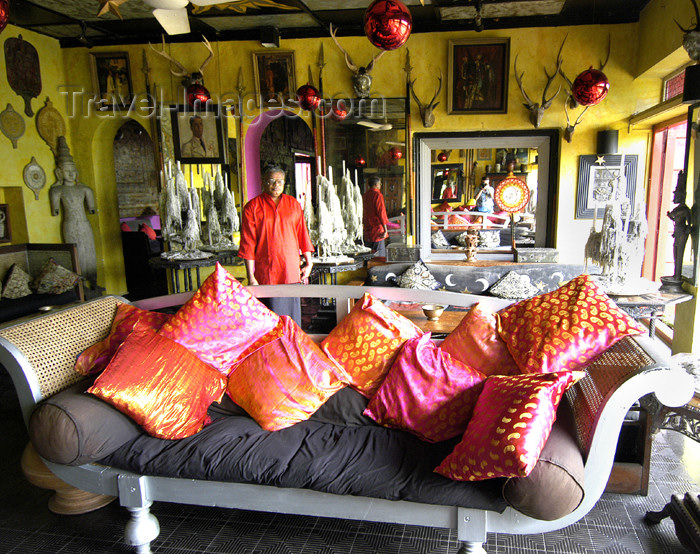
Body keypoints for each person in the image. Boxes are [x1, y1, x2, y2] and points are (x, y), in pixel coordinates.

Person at [238, 164, 314, 326]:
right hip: (267, 271)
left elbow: (303, 235)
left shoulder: (293, 204)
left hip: (291, 270)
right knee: (270, 318)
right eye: (271, 181)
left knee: (292, 318)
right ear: (263, 182)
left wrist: (309, 263)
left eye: (280, 181)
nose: (276, 185)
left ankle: (293, 348)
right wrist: (251, 277)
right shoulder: (252, 207)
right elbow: (248, 244)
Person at [49, 136, 98, 288]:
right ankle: (80, 286)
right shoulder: (57, 190)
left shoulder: (85, 189)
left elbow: (91, 208)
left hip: (84, 224)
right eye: (66, 171)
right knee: (75, 254)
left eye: (72, 170)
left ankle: (94, 282)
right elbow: (55, 210)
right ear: (59, 172)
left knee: (89, 252)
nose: (70, 174)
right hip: (69, 225)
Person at [363, 175, 389, 257]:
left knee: (368, 255)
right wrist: (385, 230)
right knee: (379, 257)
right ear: (376, 185)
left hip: (367, 230)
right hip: (377, 231)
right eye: (380, 184)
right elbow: (381, 213)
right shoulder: (377, 195)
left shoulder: (365, 195)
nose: (380, 186)